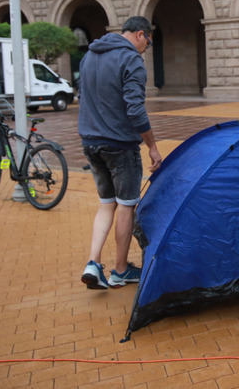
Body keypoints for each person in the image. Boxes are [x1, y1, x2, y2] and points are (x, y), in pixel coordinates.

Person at [78, 16, 163, 290]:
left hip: (90, 141)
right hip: (120, 145)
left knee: (106, 204)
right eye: (147, 44)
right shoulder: (131, 60)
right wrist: (151, 145)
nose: (145, 50)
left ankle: (93, 262)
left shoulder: (89, 56)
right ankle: (120, 270)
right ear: (141, 34)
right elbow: (135, 110)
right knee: (126, 205)